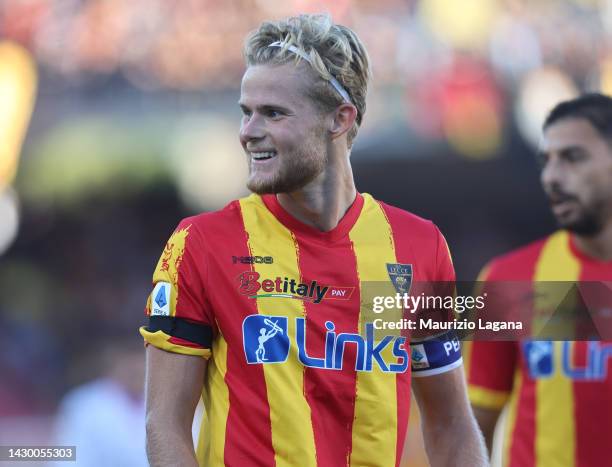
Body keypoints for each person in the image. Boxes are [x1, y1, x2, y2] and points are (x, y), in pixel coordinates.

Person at [141, 14, 487, 467]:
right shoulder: (201, 244)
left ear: (340, 119)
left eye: (273, 113)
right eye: (246, 112)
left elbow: (451, 425)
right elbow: (164, 424)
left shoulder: (419, 247)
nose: (248, 132)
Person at [466, 93, 612, 466]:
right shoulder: (510, 279)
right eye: (546, 161)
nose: (551, 177)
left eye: (573, 157)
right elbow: (471, 426)